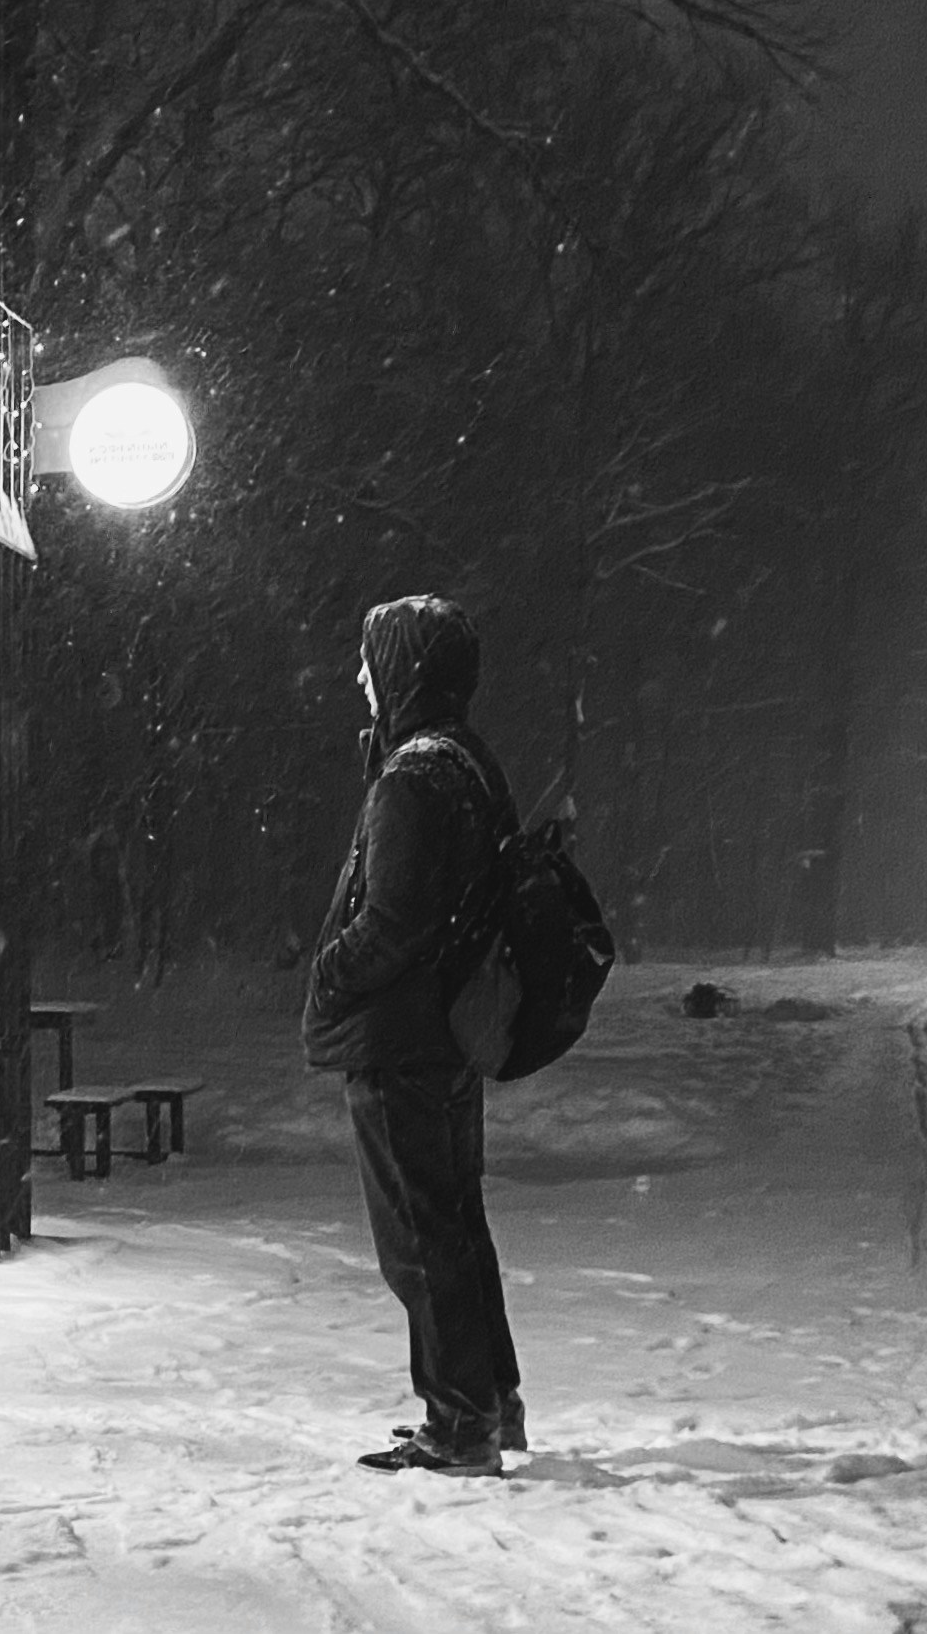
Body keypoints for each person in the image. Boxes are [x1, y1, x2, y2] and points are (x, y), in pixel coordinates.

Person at [301, 595, 525, 1478]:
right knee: (455, 1225)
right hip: (448, 1036)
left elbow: (392, 920)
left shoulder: (410, 779)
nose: (359, 677)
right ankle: (488, 1403)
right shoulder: (467, 764)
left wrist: (329, 969)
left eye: (371, 660)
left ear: (404, 668)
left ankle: (460, 1421)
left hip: (401, 1040)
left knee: (421, 1240)